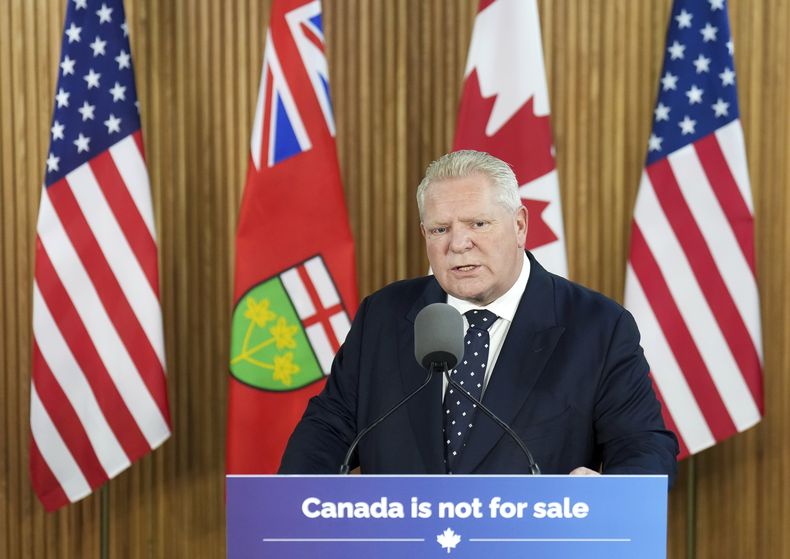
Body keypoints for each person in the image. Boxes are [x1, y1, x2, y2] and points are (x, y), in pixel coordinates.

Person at [279, 150, 678, 483]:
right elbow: (326, 431)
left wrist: (612, 494)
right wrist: (298, 503)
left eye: (478, 224)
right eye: (440, 229)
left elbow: (644, 446)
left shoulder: (597, 326)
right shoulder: (384, 315)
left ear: (519, 225)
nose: (458, 244)